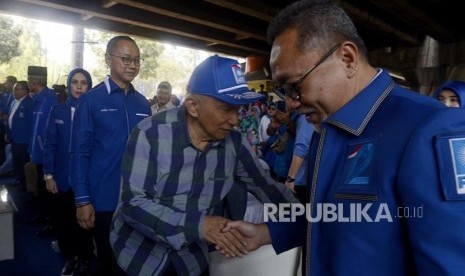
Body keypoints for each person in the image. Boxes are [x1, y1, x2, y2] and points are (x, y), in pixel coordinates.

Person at [221, 1, 465, 275]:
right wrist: (267, 233)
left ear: (347, 59)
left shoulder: (429, 127)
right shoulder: (328, 129)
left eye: (294, 86)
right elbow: (336, 214)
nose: (290, 104)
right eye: (283, 92)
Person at [109, 54, 298, 276]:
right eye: (226, 109)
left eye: (238, 110)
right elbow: (132, 204)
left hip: (192, 263)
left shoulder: (234, 144)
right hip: (138, 259)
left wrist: (311, 220)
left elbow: (269, 190)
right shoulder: (150, 134)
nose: (235, 120)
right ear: (193, 106)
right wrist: (201, 225)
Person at [70, 35, 151, 275]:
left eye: (136, 60)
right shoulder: (91, 101)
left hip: (139, 199)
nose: (132, 65)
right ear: (108, 59)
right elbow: (79, 153)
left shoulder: (142, 104)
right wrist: (83, 200)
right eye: (126, 59)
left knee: (137, 262)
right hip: (103, 199)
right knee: (108, 261)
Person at [43, 69, 94, 276]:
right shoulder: (58, 111)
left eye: (84, 83)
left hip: (87, 180)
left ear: (89, 87)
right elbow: (50, 145)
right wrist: (48, 175)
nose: (79, 86)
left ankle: (83, 257)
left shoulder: (94, 112)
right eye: (75, 82)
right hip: (62, 179)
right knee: (64, 221)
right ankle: (70, 256)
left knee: (85, 223)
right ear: (69, 86)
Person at [28, 65, 59, 234]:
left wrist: (42, 151)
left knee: (47, 190)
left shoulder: (49, 100)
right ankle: (43, 215)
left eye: (29, 80)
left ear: (34, 81)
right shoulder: (38, 99)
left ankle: (50, 221)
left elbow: (49, 133)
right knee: (41, 187)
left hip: (45, 154)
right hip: (38, 152)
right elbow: (35, 129)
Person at [6, 81, 33, 189]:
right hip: (13, 137)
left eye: (17, 89)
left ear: (25, 91)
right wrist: (8, 133)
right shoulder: (14, 101)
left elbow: (31, 123)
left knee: (23, 162)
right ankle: (18, 179)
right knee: (16, 161)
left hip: (23, 140)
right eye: (14, 89)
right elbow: (10, 118)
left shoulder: (29, 103)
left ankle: (24, 184)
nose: (14, 91)